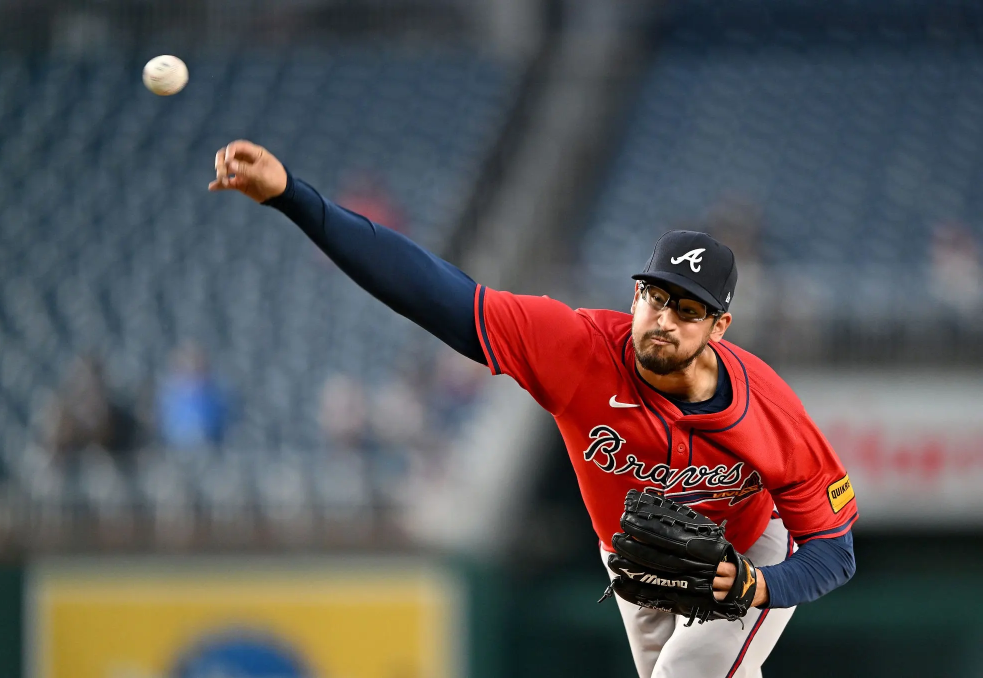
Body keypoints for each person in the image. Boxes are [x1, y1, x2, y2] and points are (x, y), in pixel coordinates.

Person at [209, 141, 858, 678]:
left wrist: (760, 586)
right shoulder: (574, 348)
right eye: (657, 297)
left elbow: (834, 551)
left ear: (719, 327)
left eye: (688, 309)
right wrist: (293, 196)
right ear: (635, 295)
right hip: (633, 556)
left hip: (751, 549)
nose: (665, 319)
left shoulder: (768, 410)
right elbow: (433, 291)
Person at [156, 343, 229, 451]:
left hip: (211, 446)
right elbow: (163, 425)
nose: (192, 368)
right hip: (174, 448)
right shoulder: (168, 396)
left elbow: (220, 423)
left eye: (197, 365)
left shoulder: (217, 394)